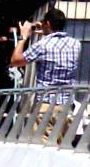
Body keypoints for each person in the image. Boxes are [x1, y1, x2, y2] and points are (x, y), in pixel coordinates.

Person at [10, 9, 81, 139]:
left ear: (47, 23)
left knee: (42, 148)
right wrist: (46, 31)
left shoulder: (42, 45)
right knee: (60, 147)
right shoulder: (75, 44)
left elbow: (15, 61)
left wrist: (23, 37)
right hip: (66, 107)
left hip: (46, 107)